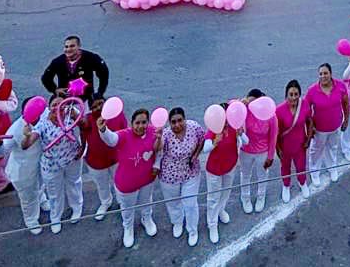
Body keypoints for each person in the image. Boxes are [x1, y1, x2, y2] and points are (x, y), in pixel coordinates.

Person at [98, 107, 159, 248]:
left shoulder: (153, 131)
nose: (141, 126)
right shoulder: (125, 135)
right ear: (132, 123)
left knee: (146, 201)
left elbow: (159, 150)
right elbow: (112, 140)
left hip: (147, 179)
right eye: (137, 123)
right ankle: (128, 227)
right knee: (127, 208)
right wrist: (103, 130)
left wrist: (157, 165)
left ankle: (147, 219)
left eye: (144, 122)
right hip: (127, 184)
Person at [37, 92, 86, 233]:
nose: (57, 107)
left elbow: (85, 127)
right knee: (54, 192)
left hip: (73, 158)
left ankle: (77, 208)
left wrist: (82, 148)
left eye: (61, 104)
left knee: (74, 183)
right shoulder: (43, 121)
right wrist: (27, 137)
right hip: (51, 165)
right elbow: (29, 140)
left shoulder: (71, 113)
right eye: (54, 104)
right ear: (49, 107)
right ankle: (55, 217)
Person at [0, 99, 45, 234]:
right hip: (23, 172)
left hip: (40, 166)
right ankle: (31, 220)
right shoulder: (16, 128)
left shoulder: (44, 118)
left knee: (40, 186)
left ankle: (42, 199)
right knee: (28, 198)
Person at [157, 106, 205, 246]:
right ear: (169, 123)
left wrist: (195, 155)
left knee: (190, 204)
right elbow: (157, 150)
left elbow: (202, 140)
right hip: (169, 175)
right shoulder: (165, 134)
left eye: (180, 120)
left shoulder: (194, 127)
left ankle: (192, 229)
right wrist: (158, 137)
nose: (177, 124)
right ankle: (177, 222)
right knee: (173, 203)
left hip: (191, 172)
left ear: (185, 119)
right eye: (173, 122)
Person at [203, 102, 242, 244]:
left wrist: (241, 134)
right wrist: (214, 142)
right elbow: (205, 148)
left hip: (230, 166)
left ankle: (221, 210)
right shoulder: (213, 129)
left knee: (226, 192)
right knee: (213, 197)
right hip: (214, 170)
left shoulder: (234, 126)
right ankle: (212, 224)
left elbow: (245, 141)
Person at [305, 63, 348, 185]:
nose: (323, 76)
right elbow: (306, 110)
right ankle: (314, 171)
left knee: (332, 147)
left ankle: (332, 167)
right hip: (319, 129)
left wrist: (346, 119)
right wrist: (309, 128)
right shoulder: (312, 91)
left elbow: (345, 103)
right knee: (316, 150)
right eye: (320, 74)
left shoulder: (340, 86)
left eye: (325, 73)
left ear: (330, 74)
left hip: (335, 126)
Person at [82, 96, 123, 221]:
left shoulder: (117, 115)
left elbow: (125, 132)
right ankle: (106, 202)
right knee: (102, 185)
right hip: (96, 161)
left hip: (115, 158)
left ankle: (122, 202)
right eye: (94, 106)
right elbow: (82, 138)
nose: (98, 108)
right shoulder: (87, 120)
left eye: (100, 104)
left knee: (120, 182)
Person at [238, 90, 275, 213]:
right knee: (245, 175)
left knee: (262, 175)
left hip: (262, 152)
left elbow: (273, 136)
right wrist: (240, 102)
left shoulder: (270, 115)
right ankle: (245, 197)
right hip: (246, 151)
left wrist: (270, 156)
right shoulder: (244, 110)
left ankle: (261, 196)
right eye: (249, 102)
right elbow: (229, 106)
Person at [274, 81, 311, 203]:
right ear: (286, 95)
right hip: (285, 147)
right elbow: (276, 133)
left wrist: (308, 138)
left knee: (301, 166)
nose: (294, 97)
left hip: (300, 145)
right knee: (285, 167)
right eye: (291, 94)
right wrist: (278, 149)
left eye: (296, 94)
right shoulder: (279, 111)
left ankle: (302, 182)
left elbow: (309, 122)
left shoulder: (305, 105)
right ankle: (286, 186)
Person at [41, 35, 109, 101]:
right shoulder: (58, 61)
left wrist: (100, 92)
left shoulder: (91, 58)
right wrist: (54, 90)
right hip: (65, 100)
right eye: (66, 47)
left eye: (72, 46)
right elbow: (45, 78)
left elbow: (104, 73)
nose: (68, 49)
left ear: (79, 46)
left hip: (86, 100)